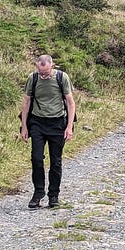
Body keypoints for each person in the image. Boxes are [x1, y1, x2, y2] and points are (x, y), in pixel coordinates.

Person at [19, 54, 76, 209]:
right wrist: (24, 126)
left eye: (45, 72)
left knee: (55, 161)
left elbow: (70, 103)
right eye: (40, 72)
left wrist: (69, 126)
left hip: (57, 123)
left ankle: (54, 196)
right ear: (37, 66)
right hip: (37, 122)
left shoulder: (62, 78)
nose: (42, 75)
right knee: (36, 158)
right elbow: (26, 102)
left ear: (52, 66)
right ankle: (38, 193)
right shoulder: (33, 78)